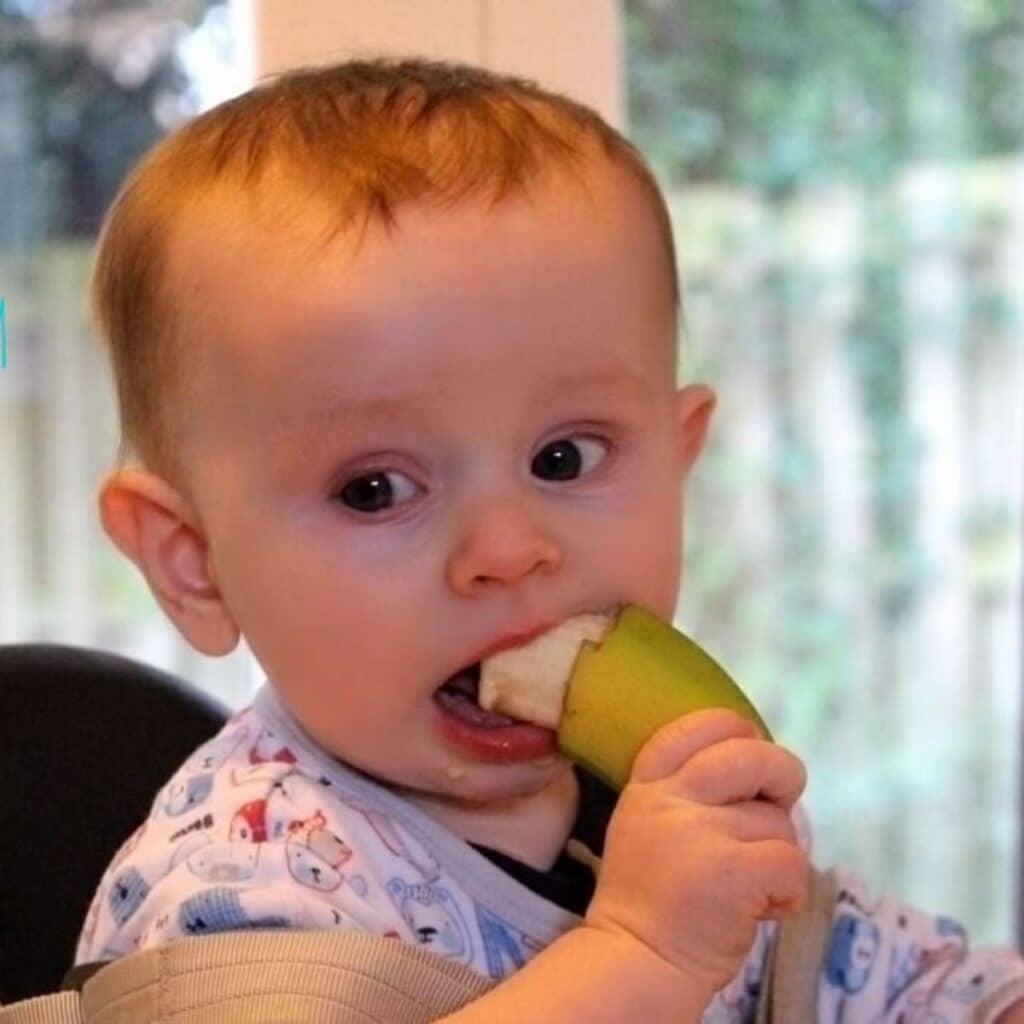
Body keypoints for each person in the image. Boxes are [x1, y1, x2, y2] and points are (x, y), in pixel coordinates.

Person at [72, 56, 1024, 1022]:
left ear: (678, 457)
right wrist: (640, 955)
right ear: (191, 561)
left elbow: (921, 991)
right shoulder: (231, 888)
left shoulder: (667, 813)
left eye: (565, 459)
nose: (509, 547)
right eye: (376, 489)